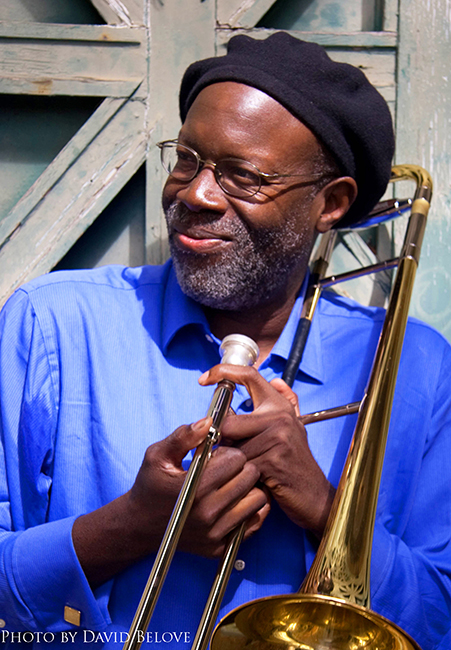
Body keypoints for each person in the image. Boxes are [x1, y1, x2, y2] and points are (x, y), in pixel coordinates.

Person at [0, 32, 450, 650]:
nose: (195, 193)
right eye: (187, 158)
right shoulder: (49, 324)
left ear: (332, 203)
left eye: (242, 176)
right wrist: (133, 525)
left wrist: (324, 506)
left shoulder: (420, 369)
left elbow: (441, 616)